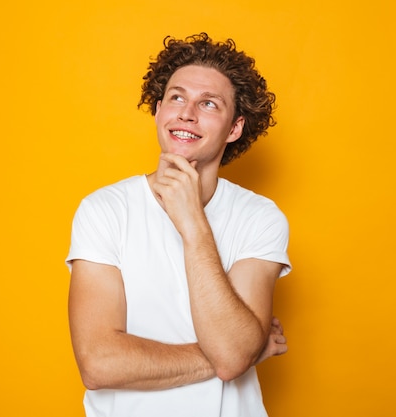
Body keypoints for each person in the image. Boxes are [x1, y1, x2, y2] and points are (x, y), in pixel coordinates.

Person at [66, 32, 291, 417]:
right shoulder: (104, 210)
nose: (187, 113)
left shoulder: (260, 217)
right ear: (158, 111)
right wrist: (240, 352)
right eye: (176, 97)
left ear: (235, 128)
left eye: (208, 103)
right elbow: (99, 364)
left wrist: (192, 223)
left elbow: (235, 354)